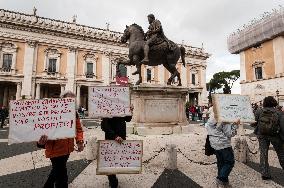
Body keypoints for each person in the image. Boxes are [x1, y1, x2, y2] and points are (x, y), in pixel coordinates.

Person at [37, 91, 84, 188]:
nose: (70, 103)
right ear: (61, 100)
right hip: (55, 150)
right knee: (62, 177)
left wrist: (80, 141)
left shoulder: (74, 113)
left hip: (67, 149)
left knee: (56, 172)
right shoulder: (51, 112)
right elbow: (40, 130)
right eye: (68, 100)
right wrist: (40, 142)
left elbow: (78, 128)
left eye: (72, 101)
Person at [205, 106, 240, 187]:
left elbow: (207, 127)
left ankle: (224, 183)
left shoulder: (213, 115)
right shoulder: (224, 117)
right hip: (223, 144)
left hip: (214, 143)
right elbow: (230, 133)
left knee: (221, 163)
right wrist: (235, 125)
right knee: (229, 162)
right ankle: (220, 179)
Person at [100, 106, 133, 188]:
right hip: (111, 137)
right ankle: (113, 180)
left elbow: (128, 119)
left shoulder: (122, 105)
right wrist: (115, 136)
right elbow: (104, 125)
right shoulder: (107, 107)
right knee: (109, 160)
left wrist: (130, 111)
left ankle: (113, 176)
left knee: (117, 159)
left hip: (121, 138)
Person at [253, 96, 284, 180]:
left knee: (263, 154)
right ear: (274, 102)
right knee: (281, 153)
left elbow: (254, 123)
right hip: (275, 136)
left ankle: (265, 173)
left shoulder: (259, 111)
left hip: (262, 135)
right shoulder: (279, 112)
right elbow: (282, 126)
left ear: (264, 103)